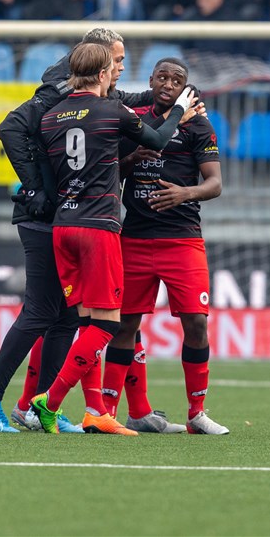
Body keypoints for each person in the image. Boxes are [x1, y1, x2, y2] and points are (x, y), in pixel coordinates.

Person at [28, 44, 197, 434]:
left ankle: (95, 411)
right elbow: (155, 139)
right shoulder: (111, 110)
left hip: (62, 227)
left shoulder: (52, 116)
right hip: (97, 226)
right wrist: (178, 113)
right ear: (103, 74)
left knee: (86, 322)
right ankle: (48, 401)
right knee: (107, 326)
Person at [100, 57, 228, 435]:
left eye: (177, 79)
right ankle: (107, 410)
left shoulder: (198, 125)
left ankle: (196, 413)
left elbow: (215, 183)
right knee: (123, 325)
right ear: (152, 80)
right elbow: (110, 171)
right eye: (163, 77)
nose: (169, 83)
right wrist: (132, 158)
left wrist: (185, 193)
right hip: (135, 237)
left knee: (196, 323)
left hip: (182, 239)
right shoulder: (133, 120)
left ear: (185, 87)